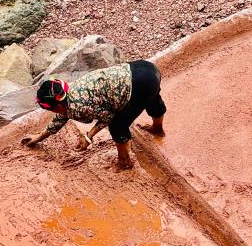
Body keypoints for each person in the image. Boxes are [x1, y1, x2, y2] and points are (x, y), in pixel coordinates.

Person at [22, 60, 166, 170]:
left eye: (50, 109)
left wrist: (89, 135)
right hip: (147, 69)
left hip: (140, 84)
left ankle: (124, 162)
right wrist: (39, 137)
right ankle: (157, 129)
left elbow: (108, 116)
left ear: (58, 106)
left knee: (117, 126)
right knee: (152, 99)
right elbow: (61, 118)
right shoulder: (70, 93)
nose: (53, 112)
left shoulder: (77, 106)